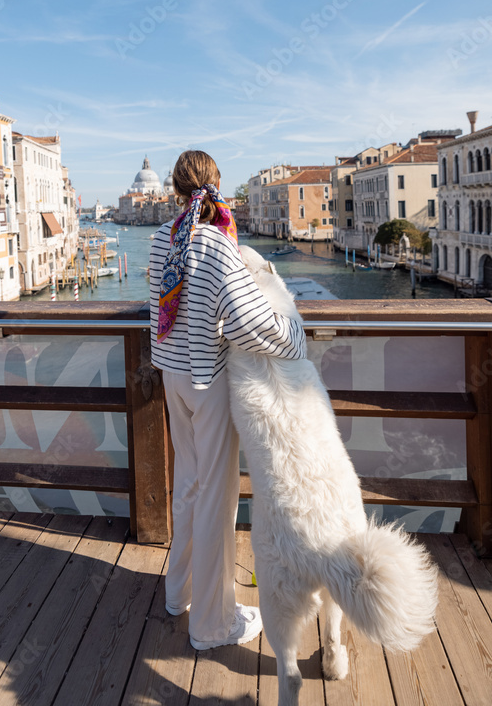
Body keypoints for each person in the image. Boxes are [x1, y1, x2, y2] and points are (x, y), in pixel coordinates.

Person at [148, 149, 307, 651]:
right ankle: (212, 625)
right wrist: (296, 335)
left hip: (171, 376)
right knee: (217, 500)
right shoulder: (216, 245)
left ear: (176, 190)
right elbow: (247, 322)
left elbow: (159, 306)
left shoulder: (161, 240)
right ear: (215, 185)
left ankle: (180, 594)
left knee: (188, 487)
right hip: (208, 381)